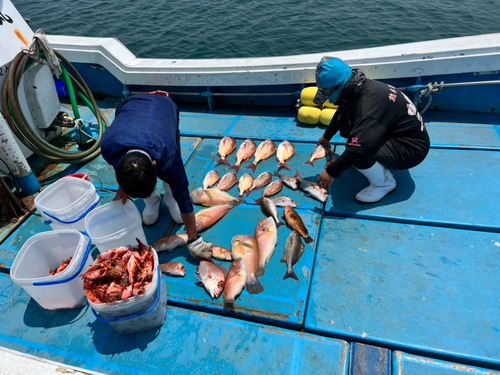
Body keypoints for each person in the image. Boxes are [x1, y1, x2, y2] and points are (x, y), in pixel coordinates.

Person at [101, 92, 212, 261]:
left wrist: (193, 238)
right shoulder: (108, 147)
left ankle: (169, 198)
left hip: (163, 108)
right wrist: (122, 188)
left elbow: (184, 197)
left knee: (175, 187)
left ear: (155, 165)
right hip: (130, 105)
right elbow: (121, 165)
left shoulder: (168, 156)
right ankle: (151, 201)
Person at [314, 57, 430, 203]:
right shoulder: (359, 87)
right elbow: (342, 110)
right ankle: (376, 163)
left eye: (328, 93)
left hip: (411, 149)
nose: (328, 98)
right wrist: (327, 137)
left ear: (337, 87)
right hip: (398, 132)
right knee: (345, 122)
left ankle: (385, 184)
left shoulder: (366, 109)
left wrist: (331, 172)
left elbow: (356, 149)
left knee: (358, 151)